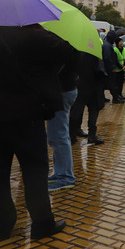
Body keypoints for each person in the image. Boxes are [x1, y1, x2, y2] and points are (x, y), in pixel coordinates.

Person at [0, 24, 73, 240]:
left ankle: (1, 225)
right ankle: (42, 222)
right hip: (27, 116)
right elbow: (69, 53)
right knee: (34, 171)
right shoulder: (35, 36)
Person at [46, 48, 79, 192]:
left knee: (59, 136)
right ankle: (60, 172)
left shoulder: (64, 48)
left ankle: (65, 177)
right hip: (66, 90)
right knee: (56, 136)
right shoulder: (72, 46)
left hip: (62, 92)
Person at [70, 43, 107, 146]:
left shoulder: (75, 50)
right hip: (93, 86)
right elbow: (100, 70)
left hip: (79, 85)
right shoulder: (94, 52)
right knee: (93, 110)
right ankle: (92, 135)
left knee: (77, 110)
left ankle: (72, 134)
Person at [103, 30, 125, 103]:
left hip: (108, 68)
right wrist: (112, 67)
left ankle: (106, 98)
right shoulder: (107, 46)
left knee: (108, 84)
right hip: (109, 69)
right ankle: (115, 99)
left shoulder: (108, 44)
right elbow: (107, 58)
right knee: (112, 84)